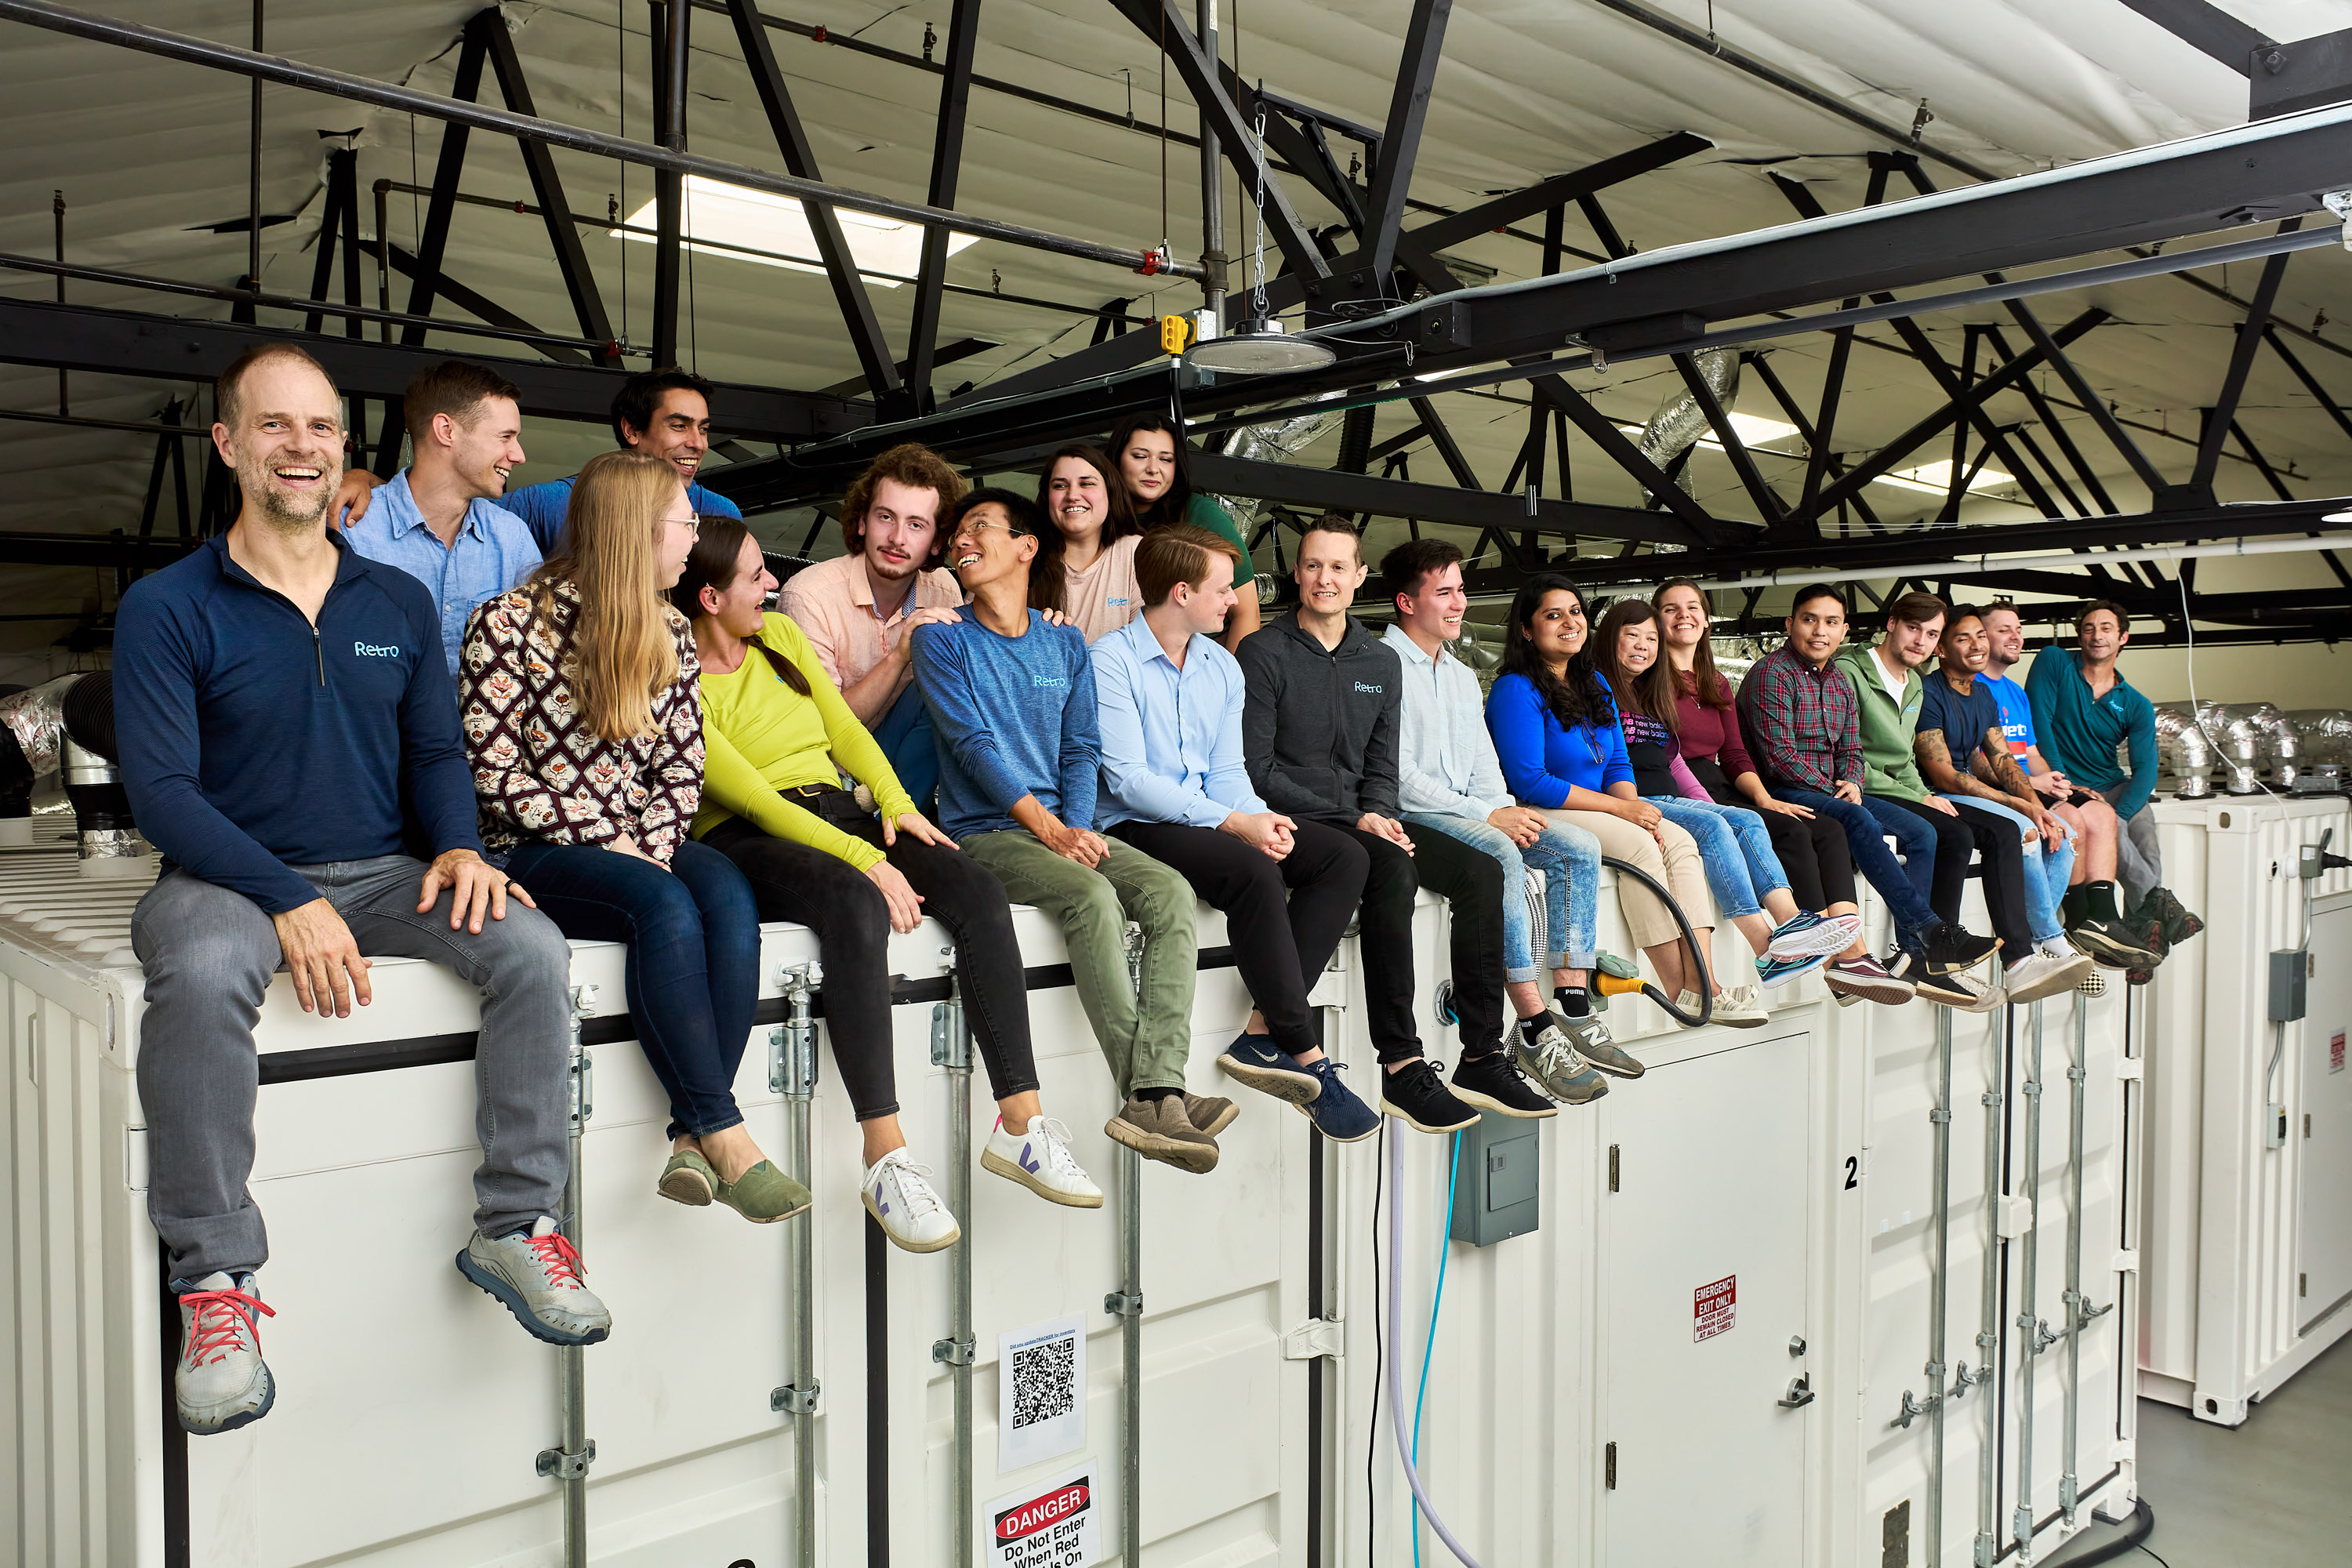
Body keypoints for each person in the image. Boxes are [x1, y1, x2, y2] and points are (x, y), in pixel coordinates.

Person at [118, 343, 607, 1437]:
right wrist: (287, 898)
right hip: (225, 876)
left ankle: (516, 1226)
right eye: (277, 427)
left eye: (322, 428)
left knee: (531, 950)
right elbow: (162, 792)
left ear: (348, 445)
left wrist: (462, 848)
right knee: (196, 973)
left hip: (386, 871)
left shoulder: (389, 595)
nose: (303, 449)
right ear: (230, 445)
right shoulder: (169, 606)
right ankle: (216, 1283)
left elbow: (435, 752)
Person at [676, 517, 1099, 1247]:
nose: (773, 585)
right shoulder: (675, 672)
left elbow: (845, 732)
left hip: (839, 810)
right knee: (853, 902)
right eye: (756, 576)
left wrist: (898, 816)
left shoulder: (776, 638)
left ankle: (1021, 1124)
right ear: (711, 599)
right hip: (748, 835)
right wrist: (865, 859)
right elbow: (752, 799)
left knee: (973, 888)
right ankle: (885, 1154)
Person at [460, 450, 797, 1228]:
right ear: (634, 531)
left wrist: (649, 838)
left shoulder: (671, 628)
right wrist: (614, 839)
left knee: (726, 891)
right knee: (664, 905)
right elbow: (495, 776)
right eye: (683, 524)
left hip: (639, 841)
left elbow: (683, 763)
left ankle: (688, 1136)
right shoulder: (505, 622)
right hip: (529, 845)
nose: (692, 539)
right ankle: (726, 1131)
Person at [911, 488, 1228, 1173]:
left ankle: (1158, 1083)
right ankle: (1151, 1094)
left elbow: (1081, 748)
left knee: (1170, 891)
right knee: (1092, 898)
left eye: (979, 529)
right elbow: (972, 748)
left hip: (1063, 824)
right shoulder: (941, 638)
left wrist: (1077, 828)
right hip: (987, 830)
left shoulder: (1065, 643)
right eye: (957, 534)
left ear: (1027, 547)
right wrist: (1055, 832)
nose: (961, 542)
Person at [1240, 517, 1582, 1116]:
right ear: (1297, 574)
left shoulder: (1376, 662)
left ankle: (1478, 1056)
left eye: (1338, 567)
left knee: (1475, 873)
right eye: (1313, 566)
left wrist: (1373, 811)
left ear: (1358, 577)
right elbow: (1258, 767)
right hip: (1292, 816)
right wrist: (1361, 814)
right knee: (1392, 871)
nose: (1325, 579)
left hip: (1359, 817)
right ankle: (1399, 1059)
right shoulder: (1263, 651)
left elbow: (1379, 764)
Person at [1093, 524, 1389, 1138]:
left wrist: (1264, 819)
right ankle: (1308, 1057)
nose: (1234, 602)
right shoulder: (1110, 661)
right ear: (1181, 592)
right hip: (1136, 824)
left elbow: (1228, 771)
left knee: (1342, 856)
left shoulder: (1221, 666)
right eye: (1224, 590)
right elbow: (1127, 781)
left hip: (1211, 813)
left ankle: (1260, 1034)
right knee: (1253, 871)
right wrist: (1235, 824)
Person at [1378, 537, 1628, 1105]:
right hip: (1415, 814)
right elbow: (1397, 776)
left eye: (1460, 590)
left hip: (1472, 808)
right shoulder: (1382, 665)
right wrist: (1489, 816)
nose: (1460, 602)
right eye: (1445, 592)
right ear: (1406, 601)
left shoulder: (1463, 676)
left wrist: (1504, 808)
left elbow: (1483, 766)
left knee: (1575, 846)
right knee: (1503, 853)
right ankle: (1534, 1026)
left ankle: (1571, 1004)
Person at [1486, 575, 1762, 1025]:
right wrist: (1620, 810)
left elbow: (1617, 764)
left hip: (1600, 804)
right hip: (1543, 809)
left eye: (1575, 612)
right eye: (1552, 615)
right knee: (1639, 846)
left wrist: (1636, 807)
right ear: (1526, 629)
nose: (1569, 623)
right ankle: (1680, 988)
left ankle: (1705, 983)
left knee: (1677, 840)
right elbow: (1530, 780)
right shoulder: (1516, 688)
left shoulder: (1594, 681)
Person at [1652, 578, 1909, 1007]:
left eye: (1693, 607)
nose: (1684, 616)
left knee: (1824, 828)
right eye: (1671, 609)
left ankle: (1854, 956)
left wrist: (1765, 798)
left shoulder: (1714, 681)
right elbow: (1665, 755)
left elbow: (1734, 753)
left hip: (1722, 780)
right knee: (1792, 832)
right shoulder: (1650, 679)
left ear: (1707, 619)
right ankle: (1836, 964)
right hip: (1680, 782)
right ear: (1656, 621)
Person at [1734, 583, 1996, 1004]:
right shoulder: (1771, 673)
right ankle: (1928, 932)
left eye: (1831, 623)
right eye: (1809, 620)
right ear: (1790, 624)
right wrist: (1838, 793)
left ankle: (1913, 952)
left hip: (1835, 789)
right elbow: (1778, 756)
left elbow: (1852, 748)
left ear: (1844, 631)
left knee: (1926, 832)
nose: (1820, 631)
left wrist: (1852, 780)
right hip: (1783, 788)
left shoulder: (1838, 680)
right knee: (1858, 819)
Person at [1592, 597, 1862, 989]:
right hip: (1634, 801)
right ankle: (1768, 947)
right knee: (1718, 826)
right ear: (1609, 640)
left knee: (1747, 819)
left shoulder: (1650, 693)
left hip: (1670, 797)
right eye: (1631, 636)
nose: (1643, 646)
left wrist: (1710, 806)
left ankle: (1790, 922)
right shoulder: (1601, 690)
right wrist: (1630, 806)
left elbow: (1674, 762)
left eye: (1650, 638)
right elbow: (1606, 763)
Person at [1829, 590, 2035, 1010]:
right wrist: (1918, 797)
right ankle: (1917, 949)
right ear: (1891, 624)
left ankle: (1938, 952)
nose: (1920, 641)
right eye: (1913, 629)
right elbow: (1849, 756)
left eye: (1931, 634)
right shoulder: (1849, 671)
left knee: (1957, 834)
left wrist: (1922, 794)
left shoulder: (1915, 683)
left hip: (1896, 788)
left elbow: (1904, 761)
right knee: (1933, 831)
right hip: (1855, 785)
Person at [335, 365, 743, 556]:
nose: (698, 443)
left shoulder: (721, 514)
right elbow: (440, 497)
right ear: (632, 430)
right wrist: (368, 482)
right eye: (679, 426)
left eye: (704, 429)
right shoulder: (543, 507)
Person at [1913, 606, 2096, 1004]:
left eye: (1980, 635)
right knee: (2023, 831)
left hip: (1969, 788)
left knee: (2062, 834)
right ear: (1941, 650)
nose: (1977, 644)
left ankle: (2034, 934)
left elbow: (2001, 758)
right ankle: (2049, 941)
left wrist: (2037, 805)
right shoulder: (1929, 691)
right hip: (1934, 793)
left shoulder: (1981, 692)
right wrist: (2020, 806)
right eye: (1963, 638)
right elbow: (1944, 774)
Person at [775, 442, 969, 811]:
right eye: (885, 517)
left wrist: (1041, 624)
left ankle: (906, 818)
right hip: (828, 769)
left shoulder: (944, 587)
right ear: (862, 521)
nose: (897, 538)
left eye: (916, 525)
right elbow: (823, 728)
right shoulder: (809, 596)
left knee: (945, 691)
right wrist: (899, 656)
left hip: (899, 758)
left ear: (936, 541)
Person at [2025, 601, 2201, 974]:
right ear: (2079, 635)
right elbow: (2039, 723)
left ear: (2123, 637)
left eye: (2106, 628)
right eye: (2088, 627)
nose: (2096, 634)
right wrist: (2064, 784)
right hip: (2062, 780)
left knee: (2142, 825)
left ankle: (2145, 919)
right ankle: (2154, 909)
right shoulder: (2056, 662)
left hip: (2109, 783)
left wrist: (2121, 816)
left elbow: (2146, 771)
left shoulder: (2135, 703)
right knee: (2109, 821)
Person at [1978, 602, 2154, 971]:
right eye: (2002, 629)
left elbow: (2032, 750)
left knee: (2104, 815)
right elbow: (1978, 761)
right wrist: (2037, 783)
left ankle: (2104, 919)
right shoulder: (1975, 688)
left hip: (2034, 779)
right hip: (2006, 786)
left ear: (2123, 637)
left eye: (2017, 628)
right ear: (1980, 638)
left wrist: (2056, 780)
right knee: (2072, 817)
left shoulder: (2013, 691)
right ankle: (2075, 922)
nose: (2015, 636)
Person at [341, 359, 541, 680]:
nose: (519, 455)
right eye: (505, 437)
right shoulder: (352, 530)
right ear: (446, 431)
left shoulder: (512, 538)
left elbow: (537, 661)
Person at [1106, 412, 1260, 651]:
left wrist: (1230, 683)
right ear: (1117, 459)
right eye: (1139, 456)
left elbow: (1246, 613)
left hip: (1193, 669)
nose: (1153, 469)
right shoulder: (1095, 514)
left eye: (1166, 459)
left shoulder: (1200, 514)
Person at [1029, 443, 1145, 641]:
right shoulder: (1021, 555)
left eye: (1086, 484)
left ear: (1110, 492)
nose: (1073, 496)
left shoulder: (1136, 552)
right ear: (1047, 498)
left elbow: (1151, 646)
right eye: (1060, 486)